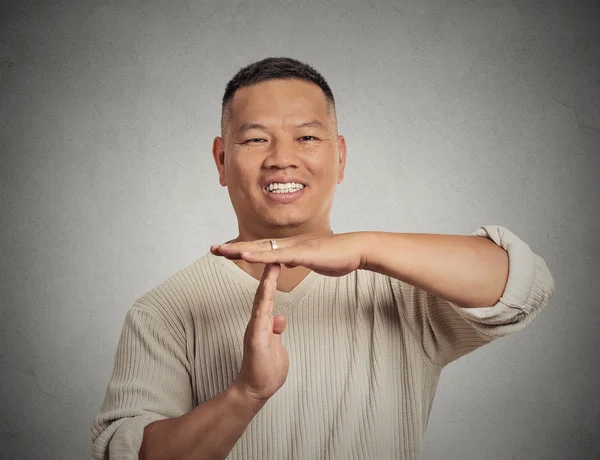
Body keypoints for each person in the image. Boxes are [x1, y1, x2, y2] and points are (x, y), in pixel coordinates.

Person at [91, 57, 556, 460]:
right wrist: (244, 395)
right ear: (220, 160)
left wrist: (363, 247)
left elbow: (522, 284)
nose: (282, 159)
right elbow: (129, 452)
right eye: (256, 140)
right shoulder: (165, 311)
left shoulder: (400, 284)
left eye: (308, 138)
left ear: (340, 158)